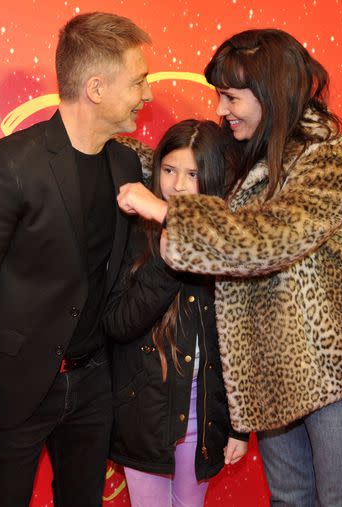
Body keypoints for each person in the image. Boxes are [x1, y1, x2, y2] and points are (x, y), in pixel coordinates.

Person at [116, 29, 342, 506]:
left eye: (231, 97)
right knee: (288, 498)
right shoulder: (242, 152)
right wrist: (105, 145)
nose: (221, 110)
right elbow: (174, 163)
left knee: (341, 499)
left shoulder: (330, 160)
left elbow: (265, 242)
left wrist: (164, 211)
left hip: (335, 366)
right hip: (269, 369)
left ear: (269, 93)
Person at [0, 12, 152, 507]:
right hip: (16, 383)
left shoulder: (126, 163)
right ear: (96, 87)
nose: (147, 95)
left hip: (93, 382)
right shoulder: (9, 163)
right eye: (138, 81)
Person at [105, 120, 249, 507]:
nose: (179, 186)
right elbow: (118, 323)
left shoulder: (232, 243)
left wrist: (240, 427)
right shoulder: (134, 230)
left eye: (194, 174)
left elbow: (238, 344)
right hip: (145, 415)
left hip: (205, 417)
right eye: (169, 170)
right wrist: (167, 262)